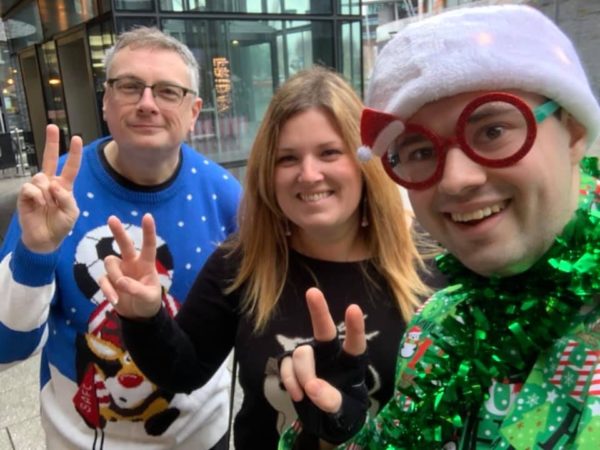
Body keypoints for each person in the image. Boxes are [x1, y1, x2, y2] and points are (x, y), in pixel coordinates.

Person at [278, 4, 600, 450]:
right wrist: (338, 432)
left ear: (575, 129)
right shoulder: (439, 323)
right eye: (419, 150)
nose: (456, 178)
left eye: (492, 131)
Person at [97, 66, 439, 449]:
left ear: (364, 163)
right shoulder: (240, 264)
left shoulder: (430, 261)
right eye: (287, 159)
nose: (309, 175)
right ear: (267, 173)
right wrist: (145, 318)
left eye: (329, 153)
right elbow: (184, 371)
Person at [0, 27, 241, 450]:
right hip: (79, 439)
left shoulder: (226, 199)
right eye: (129, 86)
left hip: (202, 438)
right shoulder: (53, 195)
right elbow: (6, 348)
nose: (147, 104)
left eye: (168, 91)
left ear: (194, 111)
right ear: (106, 102)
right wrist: (35, 253)